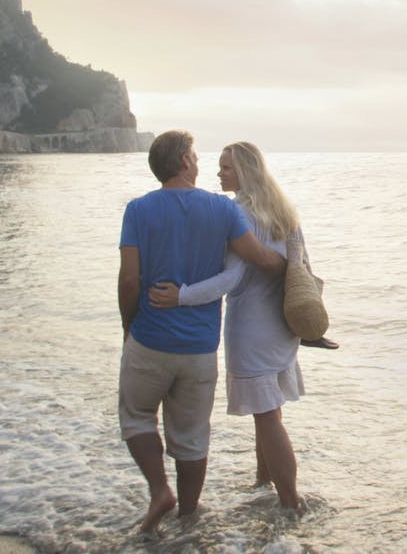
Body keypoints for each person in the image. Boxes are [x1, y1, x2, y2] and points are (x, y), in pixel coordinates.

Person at [118, 131, 286, 534]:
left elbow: (129, 279)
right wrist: (291, 266)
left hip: (150, 339)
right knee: (192, 437)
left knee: (137, 417)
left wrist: (129, 327)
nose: (199, 162)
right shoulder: (222, 210)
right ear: (184, 162)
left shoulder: (138, 210)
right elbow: (260, 258)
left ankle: (160, 490)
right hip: (199, 348)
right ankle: (188, 518)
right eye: (194, 155)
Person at [148, 142, 322, 511]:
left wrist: (181, 296)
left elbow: (230, 279)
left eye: (226, 168)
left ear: (244, 171)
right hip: (282, 324)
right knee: (270, 411)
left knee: (267, 418)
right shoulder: (283, 211)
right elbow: (302, 266)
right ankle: (263, 482)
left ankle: (290, 502)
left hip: (251, 327)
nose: (219, 173)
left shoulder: (238, 213)